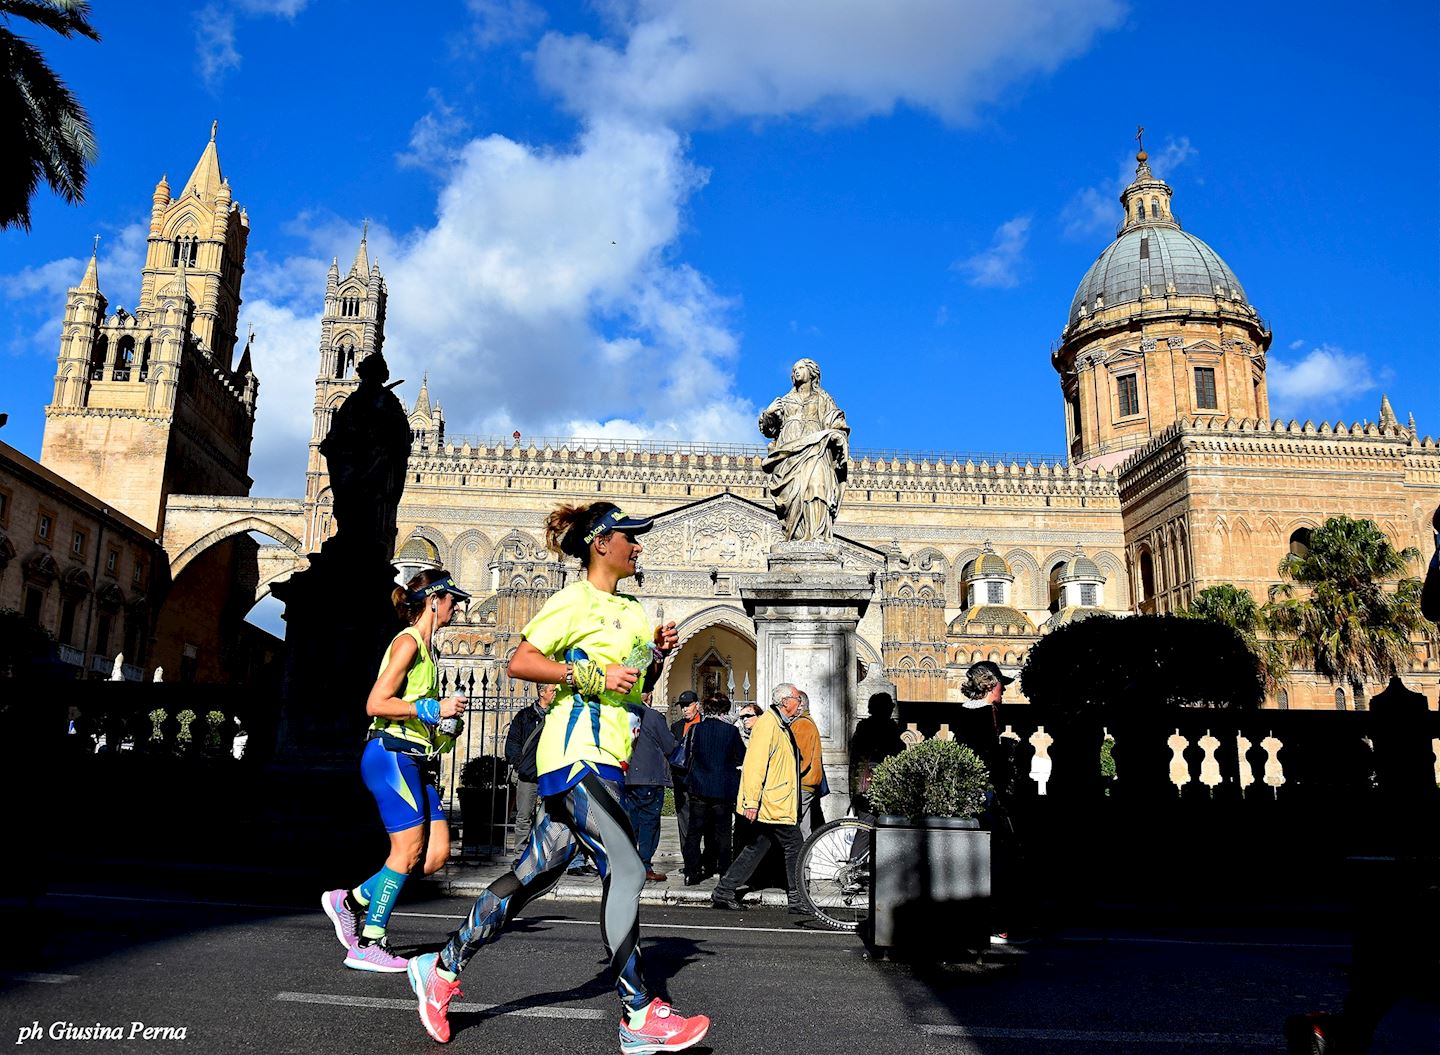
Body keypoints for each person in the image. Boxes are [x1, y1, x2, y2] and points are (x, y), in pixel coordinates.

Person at [405, 502, 709, 1052]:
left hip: (608, 760)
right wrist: (585, 671)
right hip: (573, 755)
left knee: (531, 878)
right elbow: (520, 662)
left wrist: (659, 657)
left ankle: (442, 966)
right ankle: (639, 1015)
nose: (639, 545)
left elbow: (635, 690)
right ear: (600, 543)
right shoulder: (573, 602)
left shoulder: (635, 613)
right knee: (627, 867)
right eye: (629, 537)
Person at [321, 569, 470, 972]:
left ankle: (348, 901)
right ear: (434, 601)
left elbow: (420, 711)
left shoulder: (429, 649)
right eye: (451, 599)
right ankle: (369, 942)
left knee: (435, 854)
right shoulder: (407, 643)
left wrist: (442, 725)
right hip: (391, 755)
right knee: (405, 852)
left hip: (415, 757)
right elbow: (375, 703)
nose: (456, 606)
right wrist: (429, 709)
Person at [711, 683, 808, 915]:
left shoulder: (779, 724)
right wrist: (752, 802)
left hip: (777, 800)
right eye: (797, 698)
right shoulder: (768, 725)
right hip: (773, 802)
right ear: (785, 701)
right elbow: (754, 765)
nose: (800, 703)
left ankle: (724, 890)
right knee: (795, 845)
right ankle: (797, 897)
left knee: (757, 846)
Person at [959, 660, 1028, 946]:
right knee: (1000, 858)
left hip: (969, 791)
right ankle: (997, 925)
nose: (1004, 691)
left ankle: (977, 921)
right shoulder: (991, 713)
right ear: (991, 685)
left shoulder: (962, 713)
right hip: (988, 794)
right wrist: (1008, 750)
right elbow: (990, 756)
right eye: (1001, 685)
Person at [757, 358, 850, 542]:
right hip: (788, 455)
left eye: (801, 368)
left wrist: (838, 431)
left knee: (817, 486)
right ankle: (796, 535)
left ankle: (816, 536)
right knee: (795, 494)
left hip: (816, 449)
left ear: (812, 372)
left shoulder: (823, 398)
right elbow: (769, 431)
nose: (796, 372)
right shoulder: (784, 401)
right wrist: (768, 413)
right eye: (794, 369)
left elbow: (835, 420)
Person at [681, 694, 744, 885]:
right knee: (723, 833)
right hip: (723, 789)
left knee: (694, 832)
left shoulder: (696, 729)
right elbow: (741, 756)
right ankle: (725, 873)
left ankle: (691, 872)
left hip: (699, 787)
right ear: (725, 710)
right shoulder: (731, 731)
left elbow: (688, 755)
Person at [624, 697, 677, 882]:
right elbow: (669, 745)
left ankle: (629, 864)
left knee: (632, 822)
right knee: (649, 823)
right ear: (649, 695)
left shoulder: (622, 714)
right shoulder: (652, 716)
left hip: (628, 776)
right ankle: (644, 865)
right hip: (649, 777)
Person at [503, 684, 554, 860]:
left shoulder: (557, 717)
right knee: (524, 815)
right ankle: (520, 854)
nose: (555, 694)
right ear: (542, 693)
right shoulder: (525, 716)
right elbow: (512, 743)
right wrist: (521, 765)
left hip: (550, 772)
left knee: (551, 816)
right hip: (528, 773)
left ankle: (546, 853)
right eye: (552, 690)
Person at [848, 692, 905, 814]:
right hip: (879, 783)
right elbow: (899, 751)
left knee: (866, 820)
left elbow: (855, 760)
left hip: (864, 785)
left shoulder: (863, 727)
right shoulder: (889, 728)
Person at [668, 690, 701, 877]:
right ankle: (689, 862)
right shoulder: (676, 727)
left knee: (703, 822)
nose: (685, 709)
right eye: (683, 706)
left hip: (700, 781)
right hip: (682, 781)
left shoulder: (704, 724)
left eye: (688, 704)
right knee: (684, 823)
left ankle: (704, 860)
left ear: (697, 704)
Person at [791, 693, 826, 836]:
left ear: (800, 705)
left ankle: (802, 856)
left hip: (803, 783)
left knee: (798, 827)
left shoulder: (802, 724)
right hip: (806, 783)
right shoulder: (804, 722)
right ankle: (804, 856)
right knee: (803, 827)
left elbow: (801, 759)